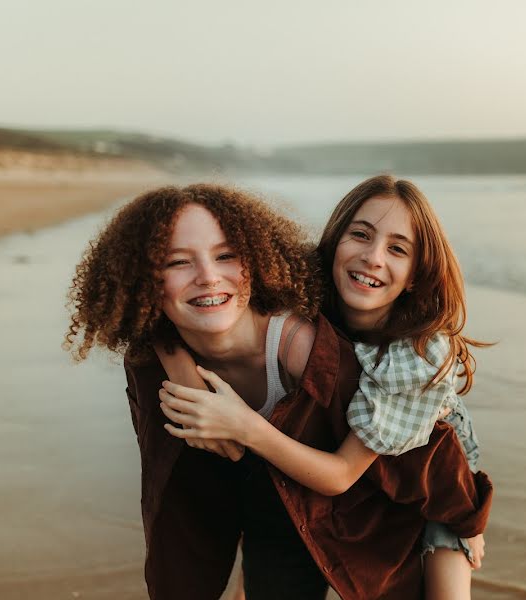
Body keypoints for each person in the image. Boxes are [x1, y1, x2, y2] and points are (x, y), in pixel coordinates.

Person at [64, 183, 492, 600]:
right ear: (334, 241)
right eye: (360, 235)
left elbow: (347, 474)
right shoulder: (304, 284)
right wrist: (183, 375)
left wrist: (468, 517)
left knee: (448, 568)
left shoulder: (413, 359)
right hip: (304, 459)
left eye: (398, 248)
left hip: (427, 444)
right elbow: (168, 312)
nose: (373, 257)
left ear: (417, 274)